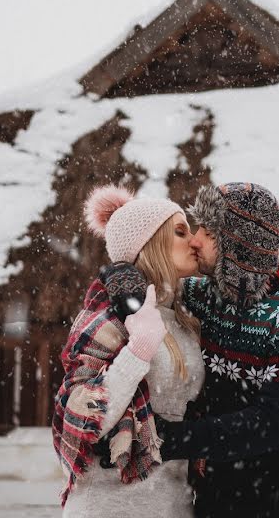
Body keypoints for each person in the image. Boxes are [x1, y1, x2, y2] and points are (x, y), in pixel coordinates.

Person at [102, 182, 279, 518]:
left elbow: (269, 426)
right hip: (214, 505)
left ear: (239, 246)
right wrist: (122, 275)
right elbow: (151, 273)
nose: (195, 240)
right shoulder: (201, 298)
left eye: (209, 232)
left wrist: (159, 439)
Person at [52, 185, 204, 517]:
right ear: (151, 244)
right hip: (108, 507)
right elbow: (80, 422)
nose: (194, 241)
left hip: (173, 505)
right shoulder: (108, 315)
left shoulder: (185, 319)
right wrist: (137, 352)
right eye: (180, 232)